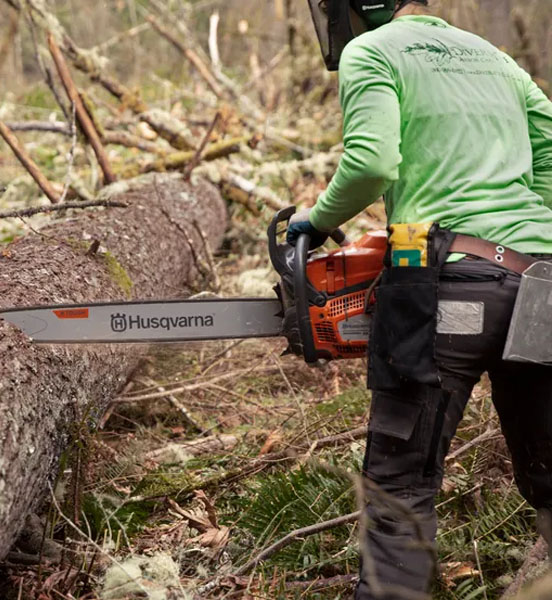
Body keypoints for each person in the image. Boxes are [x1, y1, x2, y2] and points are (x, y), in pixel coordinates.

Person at [286, 0, 552, 597]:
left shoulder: (374, 50)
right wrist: (527, 226)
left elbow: (372, 163)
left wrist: (317, 218)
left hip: (444, 285)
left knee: (401, 487)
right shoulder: (496, 58)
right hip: (542, 281)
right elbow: (551, 149)